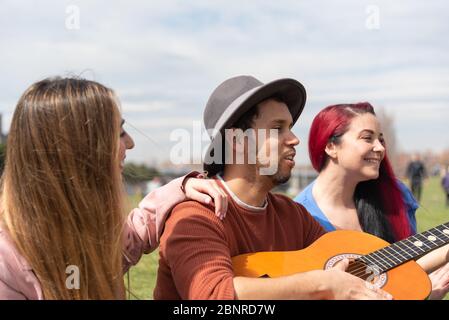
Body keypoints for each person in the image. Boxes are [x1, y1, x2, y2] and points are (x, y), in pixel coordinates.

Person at [153, 75, 395, 300]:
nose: (294, 139)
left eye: (290, 127)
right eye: (278, 128)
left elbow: (348, 266)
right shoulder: (196, 216)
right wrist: (322, 283)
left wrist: (428, 258)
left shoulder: (292, 215)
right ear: (236, 141)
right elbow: (214, 295)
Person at [0, 77, 227, 299]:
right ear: (77, 150)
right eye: (118, 133)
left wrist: (181, 186)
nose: (130, 143)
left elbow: (132, 238)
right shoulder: (5, 263)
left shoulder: (83, 230)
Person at [294, 102, 449, 299]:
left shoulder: (397, 195)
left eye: (381, 139)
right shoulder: (298, 216)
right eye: (368, 138)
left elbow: (408, 266)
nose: (380, 148)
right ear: (331, 146)